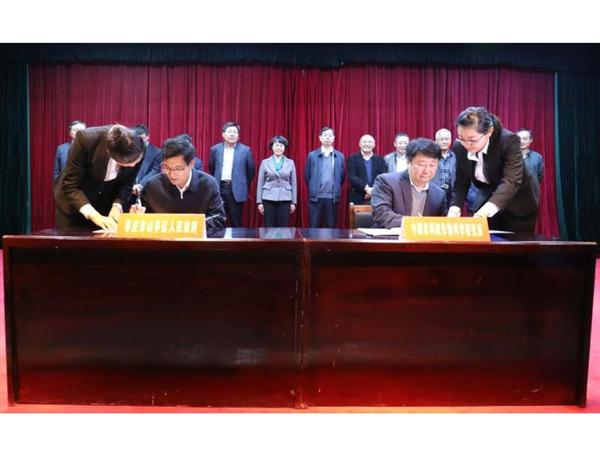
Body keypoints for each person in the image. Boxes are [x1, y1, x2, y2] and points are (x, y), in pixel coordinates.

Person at [447, 107, 539, 232]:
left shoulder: (508, 141)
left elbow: (511, 180)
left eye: (472, 140)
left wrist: (486, 210)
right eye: (462, 138)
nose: (467, 145)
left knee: (515, 242)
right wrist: (454, 207)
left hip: (518, 200)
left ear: (489, 131)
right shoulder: (459, 147)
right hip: (487, 196)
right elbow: (461, 182)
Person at [54, 124, 145, 231]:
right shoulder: (85, 139)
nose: (133, 166)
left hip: (106, 206)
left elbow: (128, 183)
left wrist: (117, 205)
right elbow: (71, 185)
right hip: (75, 206)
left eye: (136, 162)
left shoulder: (139, 146)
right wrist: (95, 216)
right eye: (127, 164)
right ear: (110, 154)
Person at [130, 136, 226, 233]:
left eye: (178, 168)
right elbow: (143, 217)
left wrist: (184, 227)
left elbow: (218, 219)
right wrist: (137, 216)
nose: (171, 173)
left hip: (196, 241)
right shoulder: (152, 185)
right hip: (163, 240)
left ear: (191, 164)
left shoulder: (208, 184)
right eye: (166, 167)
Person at [371, 138, 447, 228]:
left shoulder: (439, 194)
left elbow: (441, 223)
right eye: (421, 164)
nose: (427, 170)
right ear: (408, 162)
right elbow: (381, 213)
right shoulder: (386, 181)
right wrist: (414, 223)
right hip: (391, 236)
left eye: (432, 165)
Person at [208, 121, 255, 227]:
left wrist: (241, 182)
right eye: (230, 132)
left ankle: (237, 238)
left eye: (235, 132)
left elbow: (251, 171)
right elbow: (212, 168)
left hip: (236, 190)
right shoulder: (215, 149)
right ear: (223, 134)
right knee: (218, 220)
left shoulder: (245, 150)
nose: (232, 134)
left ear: (238, 135)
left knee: (236, 221)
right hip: (220, 188)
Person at [304, 126, 346, 228]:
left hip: (332, 198)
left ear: (334, 138)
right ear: (320, 138)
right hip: (316, 197)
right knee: (314, 226)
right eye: (325, 135)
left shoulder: (340, 156)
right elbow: (307, 176)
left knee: (331, 227)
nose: (327, 137)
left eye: (330, 135)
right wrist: (313, 187)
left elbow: (342, 177)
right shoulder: (312, 155)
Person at [256, 135, 297, 227]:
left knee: (283, 226)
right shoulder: (265, 162)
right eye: (276, 145)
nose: (279, 148)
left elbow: (294, 184)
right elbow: (260, 183)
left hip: (285, 198)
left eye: (281, 146)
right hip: (268, 198)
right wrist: (259, 202)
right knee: (269, 226)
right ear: (272, 147)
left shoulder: (290, 162)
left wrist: (293, 202)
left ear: (285, 147)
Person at [126, 123, 163, 210]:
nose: (140, 142)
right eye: (137, 139)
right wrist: (131, 186)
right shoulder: (129, 151)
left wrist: (141, 185)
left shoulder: (157, 152)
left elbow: (155, 171)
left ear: (148, 136)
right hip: (129, 192)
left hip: (147, 192)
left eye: (142, 138)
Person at [347, 134, 387, 205]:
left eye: (369, 142)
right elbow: (352, 177)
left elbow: (382, 176)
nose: (367, 144)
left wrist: (372, 191)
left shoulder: (380, 159)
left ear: (374, 145)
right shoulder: (352, 158)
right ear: (359, 144)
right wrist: (366, 188)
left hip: (377, 195)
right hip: (357, 195)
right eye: (364, 142)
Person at [430, 128, 456, 205]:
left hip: (452, 195)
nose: (444, 142)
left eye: (446, 139)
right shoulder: (430, 157)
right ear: (436, 141)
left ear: (450, 140)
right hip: (434, 194)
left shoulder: (456, 156)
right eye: (441, 139)